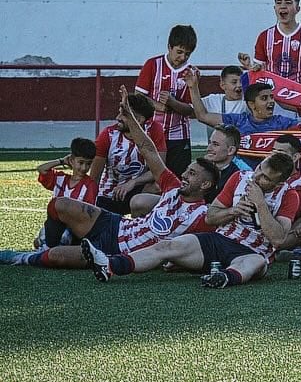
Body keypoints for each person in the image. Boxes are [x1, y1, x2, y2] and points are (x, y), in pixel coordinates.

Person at [1, 97, 215, 270]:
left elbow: (202, 247)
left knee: (56, 257)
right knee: (60, 203)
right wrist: (131, 119)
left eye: (192, 174)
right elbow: (148, 150)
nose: (185, 175)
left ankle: (21, 258)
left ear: (205, 185)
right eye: (187, 170)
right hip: (114, 222)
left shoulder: (203, 215)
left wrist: (177, 264)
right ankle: (54, 239)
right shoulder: (172, 185)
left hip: (116, 249)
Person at [82, 150, 298, 288]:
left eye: (266, 178)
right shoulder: (240, 177)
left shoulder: (288, 195)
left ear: (279, 183)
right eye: (259, 169)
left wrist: (260, 204)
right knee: (167, 245)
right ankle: (110, 265)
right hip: (219, 241)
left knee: (254, 262)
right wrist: (233, 211)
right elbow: (211, 216)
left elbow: (278, 239)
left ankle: (223, 278)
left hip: (253, 251)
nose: (258, 177)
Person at [134, 24, 197, 176]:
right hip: (150, 133)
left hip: (179, 136)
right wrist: (156, 105)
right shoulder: (152, 65)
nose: (182, 57)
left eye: (187, 54)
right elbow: (138, 96)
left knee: (177, 178)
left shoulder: (192, 72)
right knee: (149, 177)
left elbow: (192, 109)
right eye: (179, 52)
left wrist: (172, 103)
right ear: (169, 46)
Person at [90, 92, 166, 216]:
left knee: (157, 186)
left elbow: (159, 170)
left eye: (124, 114)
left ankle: (140, 229)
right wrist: (90, 205)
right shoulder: (108, 135)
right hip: (109, 195)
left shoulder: (154, 130)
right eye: (119, 112)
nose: (118, 117)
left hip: (135, 191)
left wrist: (133, 183)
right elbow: (94, 178)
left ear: (139, 119)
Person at [184, 71, 299, 137]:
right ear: (252, 104)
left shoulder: (283, 123)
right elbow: (202, 116)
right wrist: (193, 87)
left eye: (271, 97)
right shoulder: (238, 121)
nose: (271, 101)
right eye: (264, 98)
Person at [30, 138, 98, 248]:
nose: (84, 168)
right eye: (80, 163)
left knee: (60, 239)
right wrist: (61, 161)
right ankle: (48, 248)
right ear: (71, 160)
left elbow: (88, 216)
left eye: (88, 164)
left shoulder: (90, 185)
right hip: (55, 225)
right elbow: (41, 169)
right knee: (38, 241)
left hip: (74, 230)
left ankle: (51, 249)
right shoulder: (60, 179)